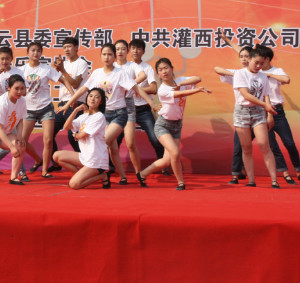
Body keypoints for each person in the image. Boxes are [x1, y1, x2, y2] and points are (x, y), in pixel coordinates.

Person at [57, 43, 156, 186]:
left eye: (110, 54)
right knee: (113, 148)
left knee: (105, 140)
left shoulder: (121, 73)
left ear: (114, 57)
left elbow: (137, 89)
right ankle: (121, 176)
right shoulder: (97, 73)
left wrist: (151, 104)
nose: (107, 57)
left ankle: (102, 169)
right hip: (104, 114)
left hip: (119, 114)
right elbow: (83, 90)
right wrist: (68, 104)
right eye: (104, 54)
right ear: (101, 56)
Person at [136, 58, 210, 190]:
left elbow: (198, 78)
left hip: (177, 125)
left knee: (166, 160)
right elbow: (180, 94)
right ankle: (181, 182)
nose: (164, 72)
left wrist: (181, 83)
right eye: (160, 70)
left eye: (166, 68)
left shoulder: (180, 81)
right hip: (163, 125)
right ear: (158, 74)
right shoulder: (162, 90)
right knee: (175, 153)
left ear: (172, 69)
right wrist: (197, 90)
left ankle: (142, 174)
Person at [19, 41, 76, 179]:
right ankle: (28, 165)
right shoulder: (21, 70)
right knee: (22, 141)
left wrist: (73, 95)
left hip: (45, 108)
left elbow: (63, 80)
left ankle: (44, 170)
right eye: (33, 50)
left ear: (41, 53)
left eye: (38, 51)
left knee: (48, 140)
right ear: (27, 53)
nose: (36, 53)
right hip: (28, 109)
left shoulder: (46, 69)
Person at [259, 45, 300, 184]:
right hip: (262, 112)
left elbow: (286, 80)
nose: (258, 63)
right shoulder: (256, 72)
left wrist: (268, 75)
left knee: (289, 142)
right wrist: (227, 40)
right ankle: (285, 173)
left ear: (267, 59)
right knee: (273, 145)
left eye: (261, 60)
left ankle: (299, 171)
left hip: (278, 112)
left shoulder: (277, 71)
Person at [231, 47, 279, 188]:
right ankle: (251, 180)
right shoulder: (240, 74)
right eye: (256, 62)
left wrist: (269, 114)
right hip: (242, 112)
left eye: (262, 63)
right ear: (249, 59)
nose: (259, 66)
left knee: (264, 145)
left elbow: (266, 94)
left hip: (258, 112)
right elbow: (246, 95)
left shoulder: (263, 76)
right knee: (246, 147)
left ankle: (274, 180)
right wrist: (265, 105)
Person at [52, 88, 111, 189]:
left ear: (101, 102)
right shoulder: (84, 116)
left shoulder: (99, 116)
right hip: (85, 156)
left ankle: (103, 176)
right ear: (87, 98)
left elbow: (82, 135)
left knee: (74, 185)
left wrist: (76, 136)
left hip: (96, 160)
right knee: (56, 156)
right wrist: (75, 110)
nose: (92, 99)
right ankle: (81, 175)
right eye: (90, 96)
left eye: (97, 97)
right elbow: (66, 126)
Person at [50, 37, 90, 168]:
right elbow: (58, 78)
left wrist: (62, 70)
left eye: (69, 46)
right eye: (64, 47)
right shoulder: (64, 64)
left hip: (75, 104)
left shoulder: (82, 64)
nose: (66, 49)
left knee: (72, 135)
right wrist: (58, 68)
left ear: (76, 47)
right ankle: (56, 163)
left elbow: (76, 84)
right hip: (62, 104)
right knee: (49, 133)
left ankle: (86, 163)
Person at [113, 39, 146, 180]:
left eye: (123, 49)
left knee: (131, 143)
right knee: (112, 144)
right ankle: (121, 175)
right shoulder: (112, 66)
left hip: (128, 105)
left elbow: (143, 76)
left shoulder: (132, 65)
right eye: (117, 49)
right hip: (113, 106)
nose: (120, 51)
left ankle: (139, 173)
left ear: (127, 51)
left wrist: (129, 85)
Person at [0, 47, 25, 174]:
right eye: (2, 59)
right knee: (10, 142)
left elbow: (24, 91)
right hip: (0, 110)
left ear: (11, 59)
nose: (4, 61)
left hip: (14, 109)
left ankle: (20, 172)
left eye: (7, 59)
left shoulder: (18, 72)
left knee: (15, 142)